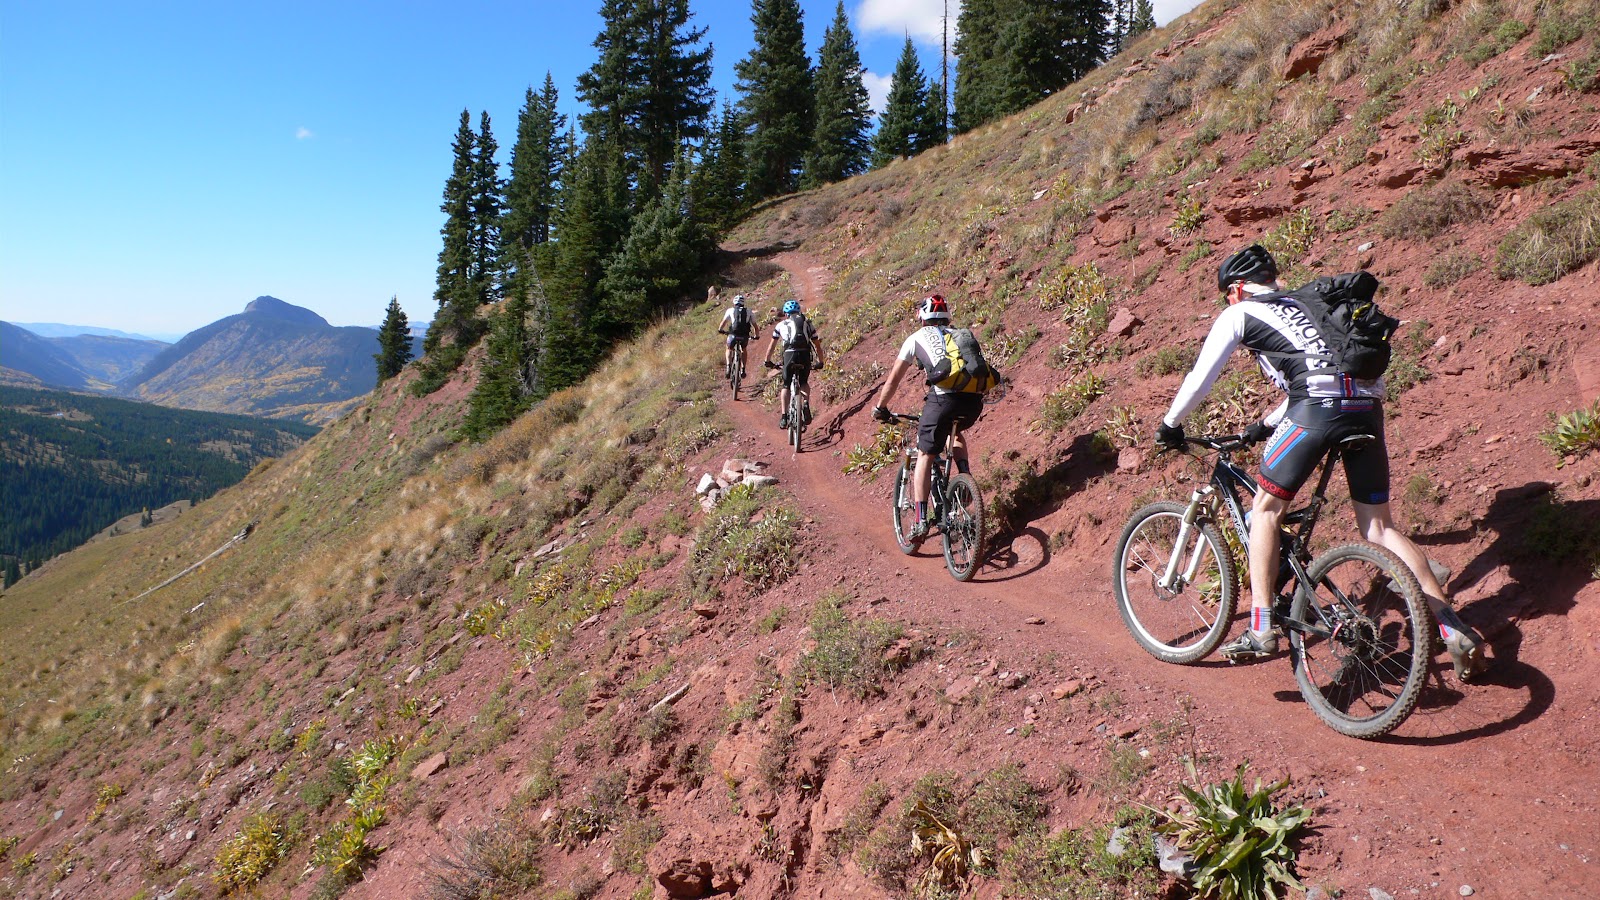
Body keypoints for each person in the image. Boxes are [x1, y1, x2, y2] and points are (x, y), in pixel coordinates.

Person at [1154, 245, 1487, 679]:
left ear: (1235, 289)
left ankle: (1260, 628)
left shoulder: (1238, 314)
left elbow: (1200, 377)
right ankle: (1451, 626)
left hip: (1316, 410)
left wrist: (1171, 424)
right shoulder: (1311, 303)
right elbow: (1324, 367)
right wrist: (1266, 423)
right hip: (1366, 407)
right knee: (1380, 528)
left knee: (1266, 510)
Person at [871, 295, 983, 543]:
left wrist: (881, 407)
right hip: (974, 402)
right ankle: (965, 479)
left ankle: (921, 519)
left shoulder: (915, 338)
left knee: (925, 454)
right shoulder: (959, 335)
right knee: (955, 432)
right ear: (946, 317)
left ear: (922, 317)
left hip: (943, 401)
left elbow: (893, 380)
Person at [761, 299, 824, 430]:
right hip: (805, 355)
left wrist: (767, 360)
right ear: (799, 311)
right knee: (804, 382)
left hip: (789, 355)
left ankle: (784, 417)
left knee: (786, 385)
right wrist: (821, 361)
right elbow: (817, 345)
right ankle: (806, 404)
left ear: (785, 313)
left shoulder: (780, 325)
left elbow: (772, 346)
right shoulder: (807, 323)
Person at [717, 294, 754, 378]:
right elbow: (755, 326)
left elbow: (724, 322)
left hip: (733, 335)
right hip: (744, 336)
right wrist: (757, 336)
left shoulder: (730, 310)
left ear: (734, 302)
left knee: (729, 348)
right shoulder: (749, 311)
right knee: (743, 349)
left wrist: (720, 329)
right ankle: (743, 368)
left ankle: (728, 366)